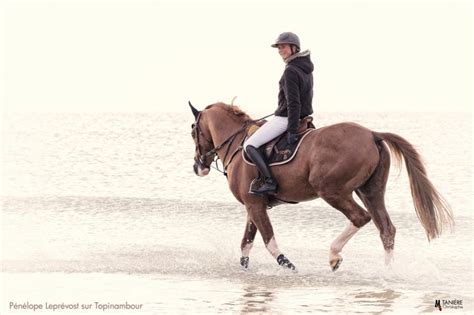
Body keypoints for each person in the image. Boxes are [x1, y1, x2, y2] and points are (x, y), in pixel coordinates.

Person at [244, 32, 314, 195]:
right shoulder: (305, 68)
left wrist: (291, 129)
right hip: (302, 117)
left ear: (293, 47)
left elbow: (293, 102)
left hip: (286, 119)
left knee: (250, 145)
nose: (280, 50)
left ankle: (269, 181)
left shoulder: (290, 70)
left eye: (283, 46)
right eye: (279, 47)